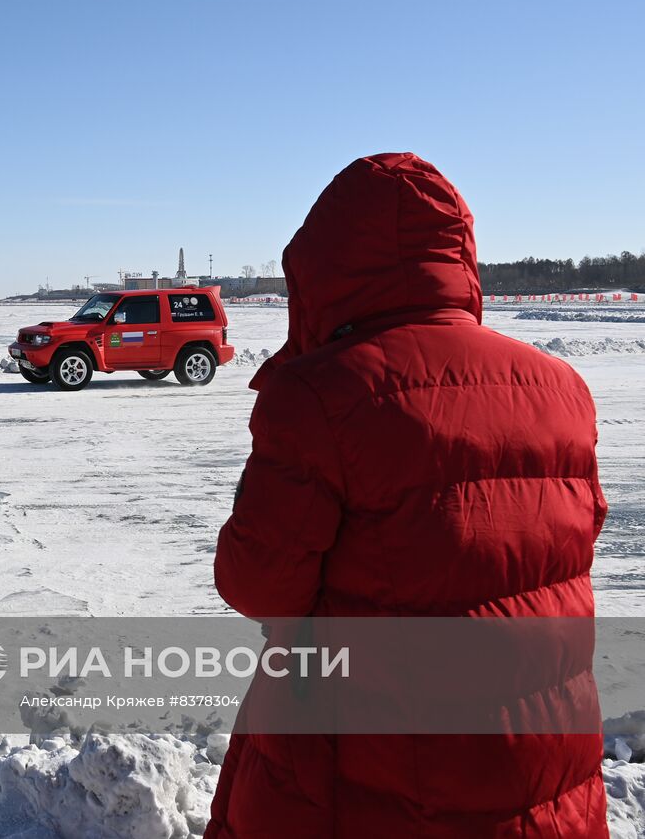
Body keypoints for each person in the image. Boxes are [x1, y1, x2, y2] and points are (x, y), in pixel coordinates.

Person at [209, 153, 608, 836]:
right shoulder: (561, 388)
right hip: (542, 765)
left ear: (324, 268)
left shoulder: (319, 396)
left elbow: (256, 582)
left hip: (379, 773)